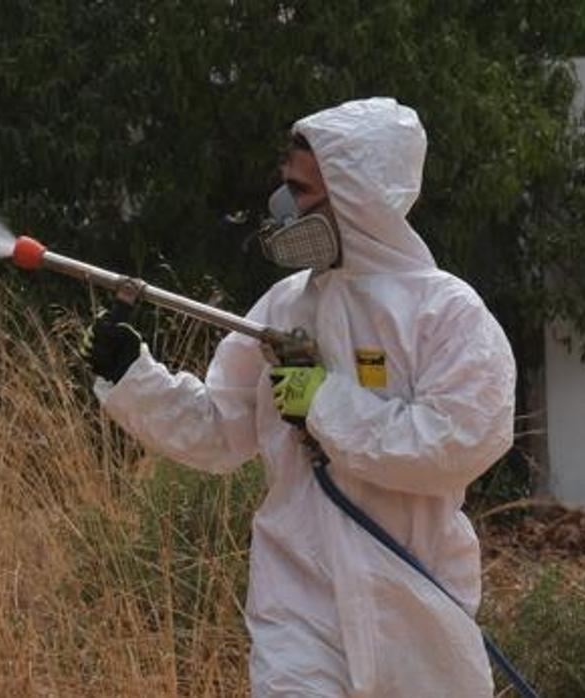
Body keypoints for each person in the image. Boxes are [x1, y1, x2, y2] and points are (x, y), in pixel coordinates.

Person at [85, 97, 516, 697]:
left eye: (300, 190)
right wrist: (134, 378)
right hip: (298, 602)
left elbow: (460, 443)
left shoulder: (444, 314)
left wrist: (322, 404)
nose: (282, 207)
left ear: (358, 196)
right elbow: (220, 430)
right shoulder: (284, 307)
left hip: (412, 604)